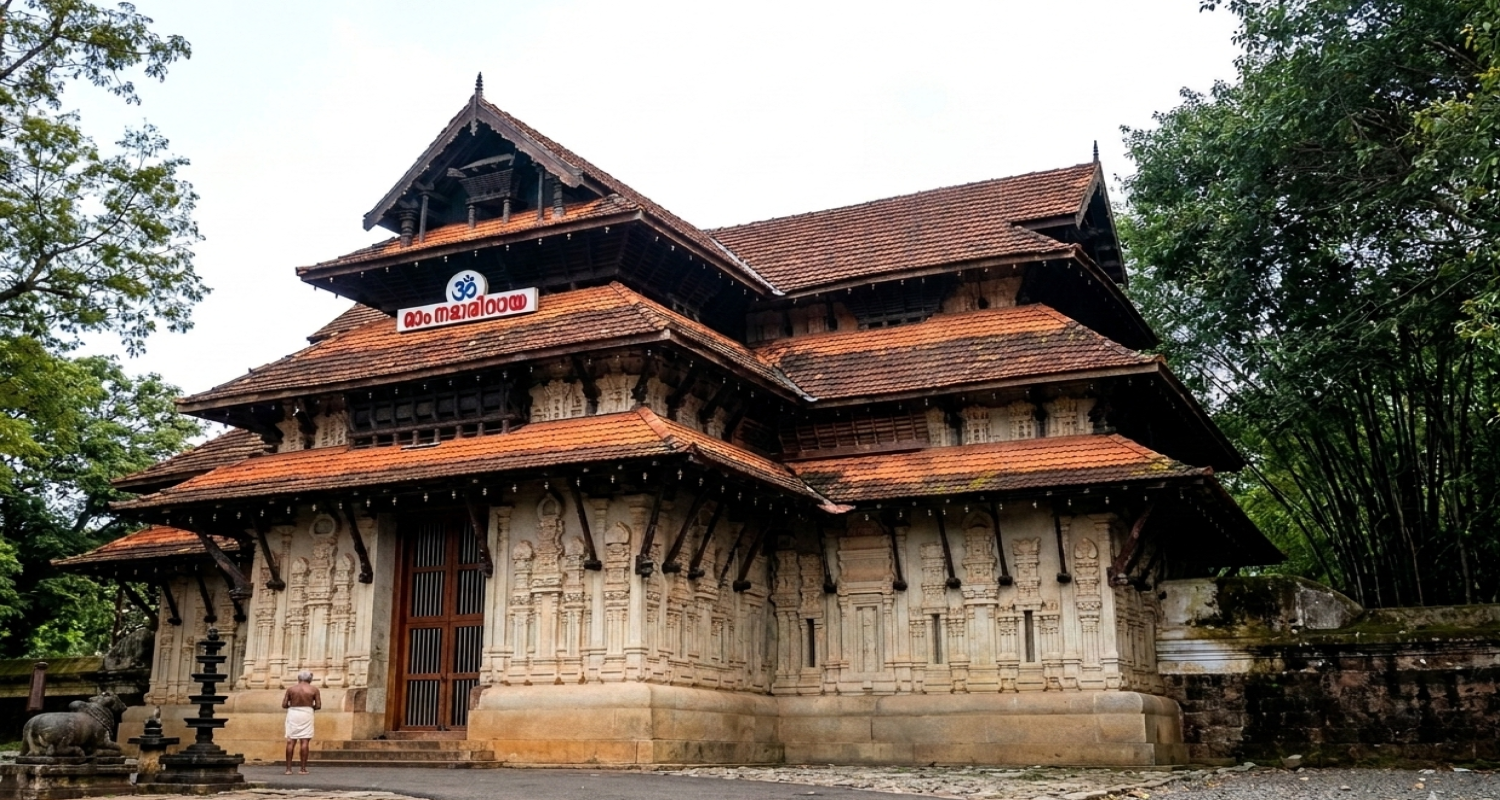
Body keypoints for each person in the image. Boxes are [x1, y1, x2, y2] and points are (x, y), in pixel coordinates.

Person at [281, 670, 321, 774]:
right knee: (305, 741)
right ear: (310, 679)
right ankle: (303, 769)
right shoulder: (314, 689)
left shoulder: (291, 689)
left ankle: (288, 769)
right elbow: (318, 706)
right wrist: (309, 707)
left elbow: (284, 705)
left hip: (293, 713)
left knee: (291, 741)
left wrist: (294, 706)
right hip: (307, 713)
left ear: (298, 679)